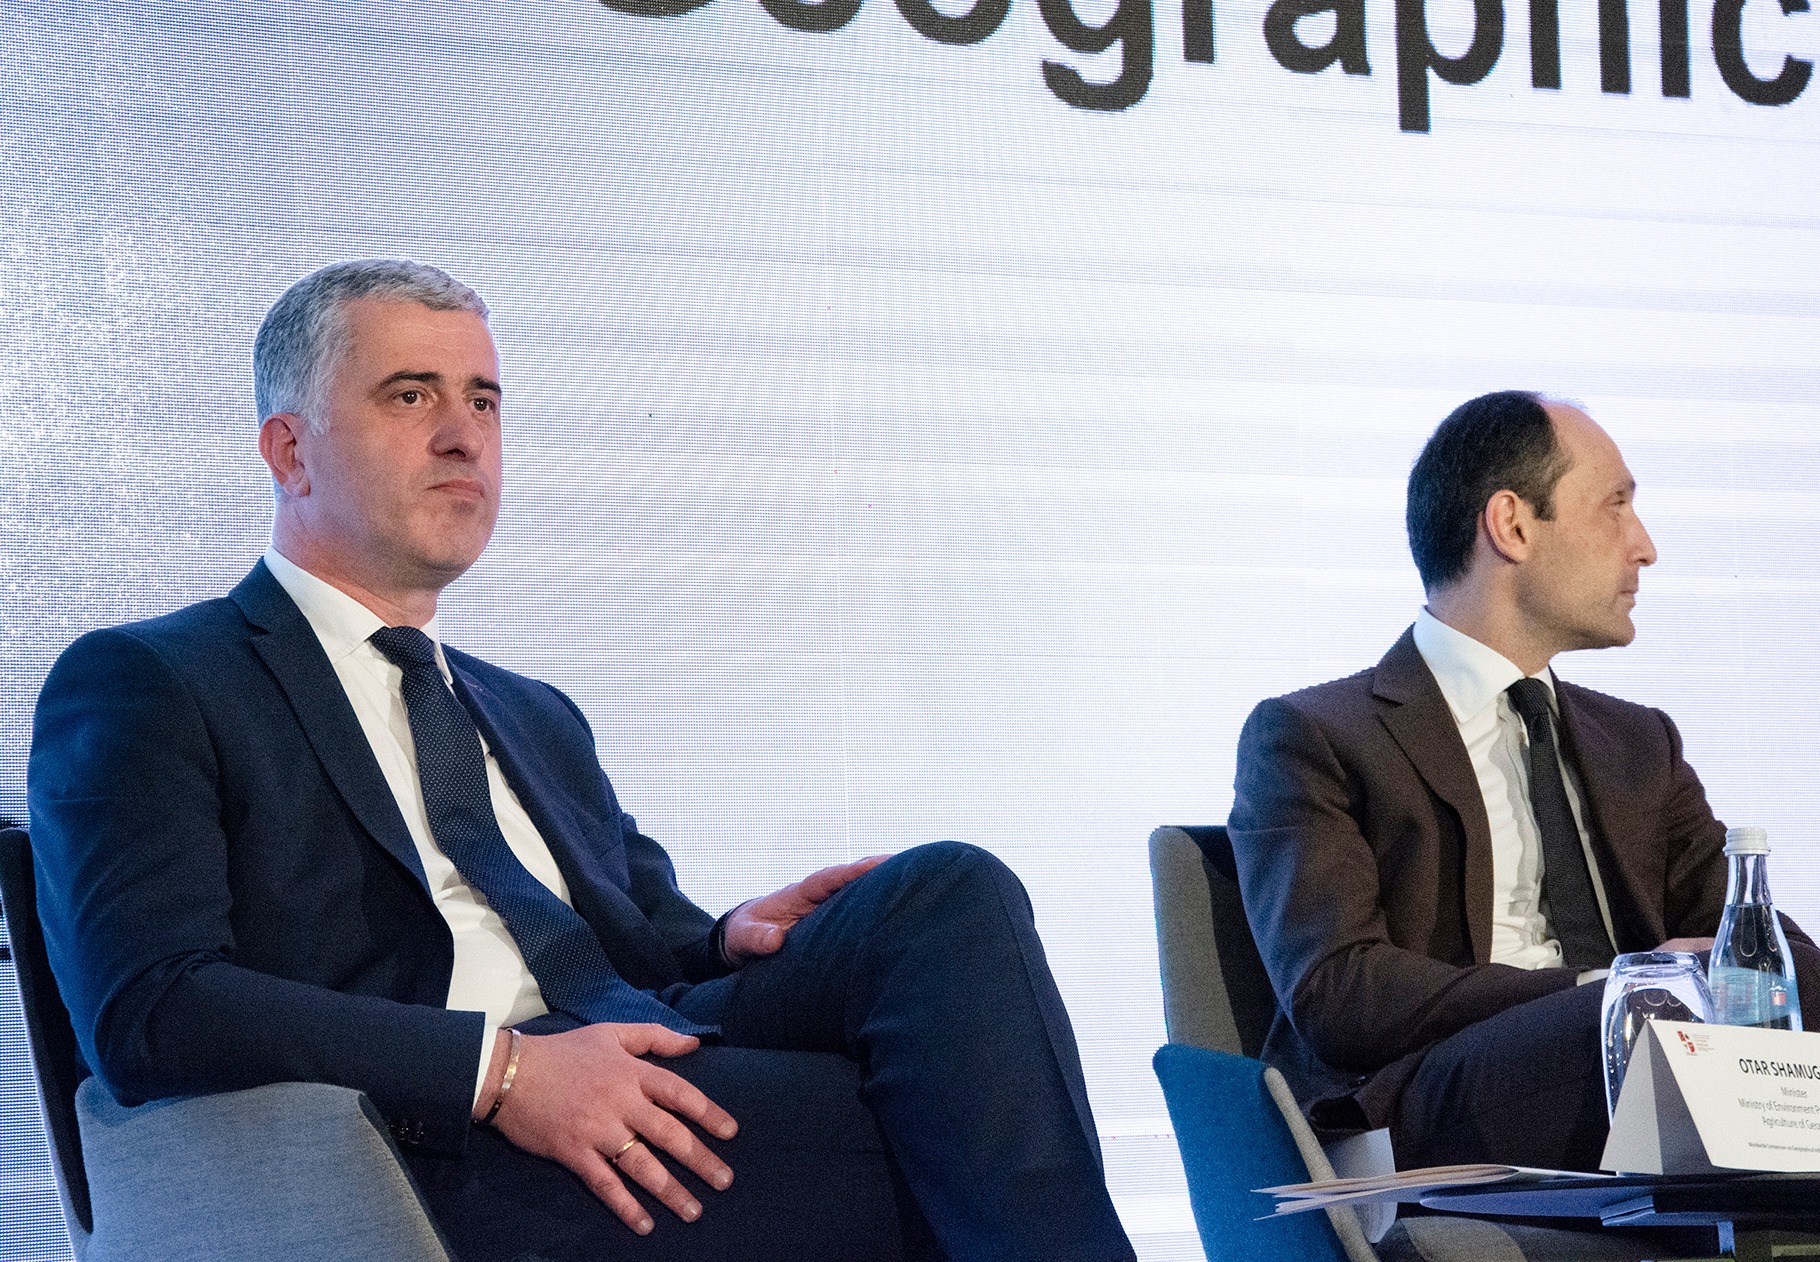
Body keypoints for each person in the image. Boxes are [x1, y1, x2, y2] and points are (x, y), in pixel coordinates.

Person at [29, 259, 1135, 1262]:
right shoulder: (153, 680)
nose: (463, 436)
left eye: (483, 400)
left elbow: (641, 943)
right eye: (410, 396)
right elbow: (151, 1010)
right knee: (951, 1122)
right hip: (415, 1135)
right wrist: (501, 1071)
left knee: (946, 894)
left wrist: (729, 934)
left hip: (629, 1042)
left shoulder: (533, 712)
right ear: (289, 450)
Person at [1227, 389, 1820, 1171]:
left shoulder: (1640, 743)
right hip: (1437, 1094)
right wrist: (1611, 988)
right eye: (1615, 506)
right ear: (1512, 525)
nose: (1645, 547)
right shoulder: (1317, 736)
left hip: (1642, 1071)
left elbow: (1759, 946)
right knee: (1642, 1027)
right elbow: (1340, 992)